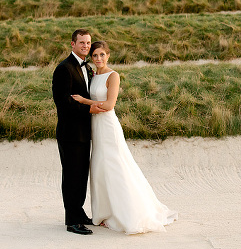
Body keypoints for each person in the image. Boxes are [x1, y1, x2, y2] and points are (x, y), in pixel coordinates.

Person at [72, 41, 177, 234]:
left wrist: (84, 101)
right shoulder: (93, 75)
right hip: (95, 126)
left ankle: (126, 212)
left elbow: (110, 105)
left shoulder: (113, 76)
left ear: (108, 55)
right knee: (100, 167)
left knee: (116, 165)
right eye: (95, 55)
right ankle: (106, 212)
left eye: (102, 55)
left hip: (108, 126)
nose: (98, 59)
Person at [52, 29, 104, 235]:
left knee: (81, 175)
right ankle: (72, 220)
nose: (85, 46)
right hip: (70, 132)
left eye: (88, 43)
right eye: (81, 42)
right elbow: (62, 103)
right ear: (72, 44)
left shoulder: (87, 67)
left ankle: (79, 212)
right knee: (72, 175)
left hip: (84, 131)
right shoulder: (64, 69)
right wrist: (88, 108)